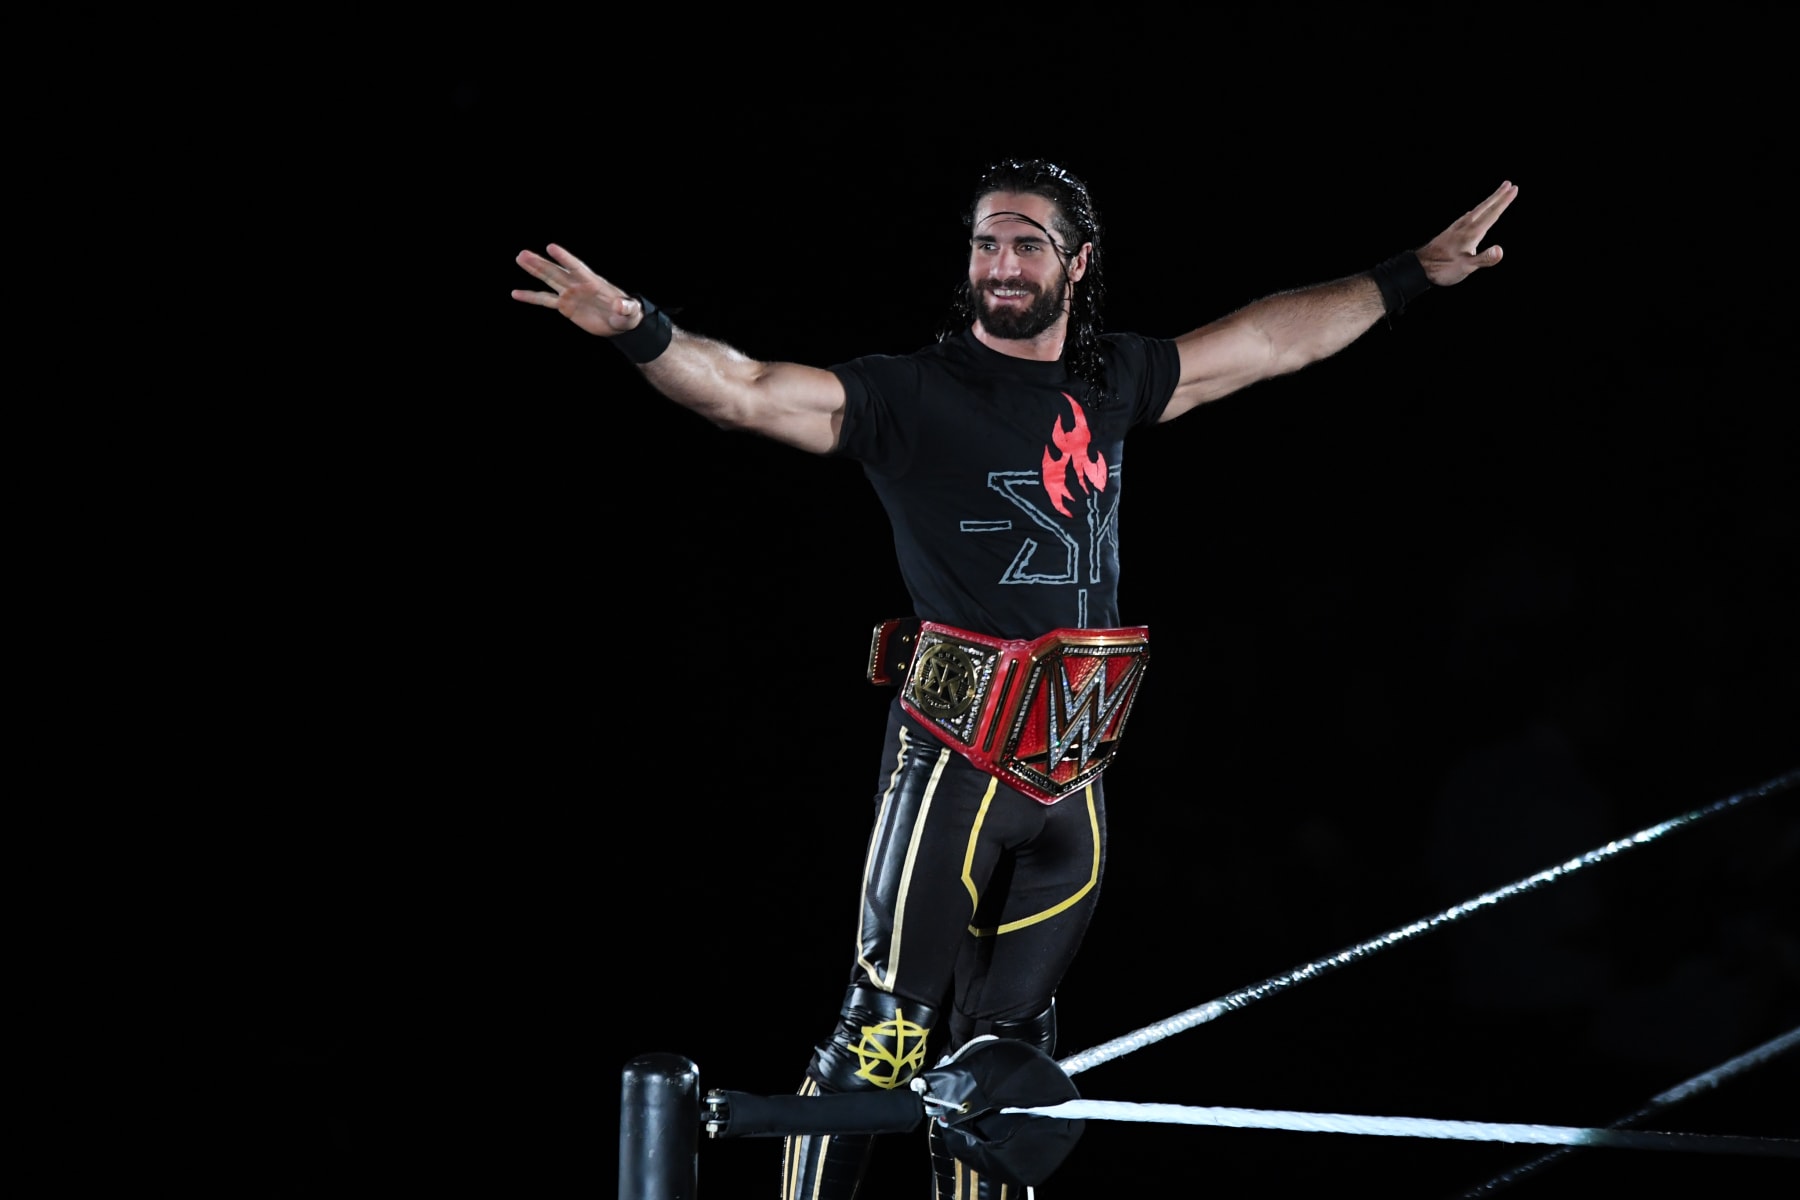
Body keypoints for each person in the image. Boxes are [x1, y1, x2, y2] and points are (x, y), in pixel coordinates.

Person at [513, 160, 1516, 1199]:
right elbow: (747, 392)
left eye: (1026, 241)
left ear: (1077, 261)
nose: (1001, 261)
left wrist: (1411, 275)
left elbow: (1269, 340)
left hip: (1071, 784)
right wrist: (638, 326)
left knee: (1008, 1071)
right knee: (883, 1038)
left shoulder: (1111, 381)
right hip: (953, 768)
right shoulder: (912, 396)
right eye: (987, 241)